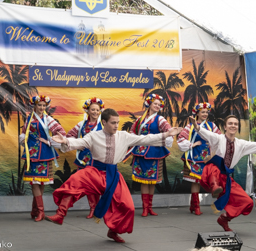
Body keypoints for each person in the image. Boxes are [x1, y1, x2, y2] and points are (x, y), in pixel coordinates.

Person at [45, 108, 182, 243]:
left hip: (113, 175)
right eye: (113, 123)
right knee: (75, 181)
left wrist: (166, 134)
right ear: (104, 122)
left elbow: (145, 139)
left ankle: (113, 231)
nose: (116, 125)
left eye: (117, 122)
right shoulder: (93, 136)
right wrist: (66, 141)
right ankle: (60, 214)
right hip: (95, 172)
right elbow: (79, 142)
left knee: (128, 207)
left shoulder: (124, 136)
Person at [191, 115, 256, 231]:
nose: (233, 126)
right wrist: (196, 126)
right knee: (214, 166)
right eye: (230, 123)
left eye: (235, 124)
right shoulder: (218, 139)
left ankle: (224, 219)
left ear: (237, 127)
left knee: (248, 202)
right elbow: (206, 134)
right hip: (211, 175)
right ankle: (215, 187)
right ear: (225, 127)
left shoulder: (241, 144)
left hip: (225, 179)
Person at [19, 95, 66, 222]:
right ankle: (40, 211)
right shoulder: (29, 119)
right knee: (34, 181)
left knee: (41, 182)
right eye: (39, 105)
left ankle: (35, 210)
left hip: (45, 154)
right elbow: (23, 132)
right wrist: (24, 139)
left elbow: (61, 133)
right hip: (31, 154)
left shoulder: (48, 119)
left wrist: (48, 141)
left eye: (44, 106)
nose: (41, 108)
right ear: (34, 106)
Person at [129, 94, 173, 217]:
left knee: (152, 181)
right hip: (141, 152)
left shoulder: (160, 119)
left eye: (159, 105)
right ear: (149, 104)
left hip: (155, 152)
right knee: (144, 180)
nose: (157, 106)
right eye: (155, 104)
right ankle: (144, 208)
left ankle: (150, 207)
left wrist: (166, 139)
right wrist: (137, 139)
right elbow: (132, 131)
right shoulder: (140, 119)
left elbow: (169, 131)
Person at [177, 102, 221, 215]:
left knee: (207, 179)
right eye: (203, 112)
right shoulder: (190, 125)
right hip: (195, 157)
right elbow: (181, 138)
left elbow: (219, 138)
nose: (205, 114)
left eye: (207, 112)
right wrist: (193, 144)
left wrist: (214, 151)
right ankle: (196, 207)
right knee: (196, 182)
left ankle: (193, 206)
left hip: (207, 157)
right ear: (197, 113)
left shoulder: (212, 126)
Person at [66, 97, 105, 219]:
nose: (95, 112)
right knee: (87, 184)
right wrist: (78, 143)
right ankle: (93, 208)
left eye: (97, 110)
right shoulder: (82, 124)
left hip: (98, 159)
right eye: (92, 109)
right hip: (84, 159)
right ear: (87, 111)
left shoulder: (104, 124)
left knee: (98, 183)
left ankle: (101, 208)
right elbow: (69, 135)